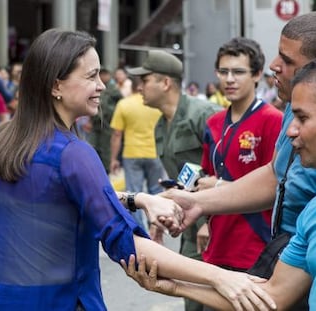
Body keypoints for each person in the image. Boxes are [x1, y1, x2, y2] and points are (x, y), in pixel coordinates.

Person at [0, 28, 275, 311]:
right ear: (56, 85)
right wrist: (220, 278)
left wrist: (140, 199)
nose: (102, 85)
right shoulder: (72, 153)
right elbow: (126, 243)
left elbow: (63, 197)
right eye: (91, 76)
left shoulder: (0, 139)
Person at [122, 58, 316, 311]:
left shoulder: (267, 119)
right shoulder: (310, 214)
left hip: (252, 240)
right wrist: (175, 286)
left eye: (301, 117)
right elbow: (272, 298)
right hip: (227, 242)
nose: (291, 131)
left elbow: (271, 178)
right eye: (223, 71)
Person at [127, 49, 222, 311]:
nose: (139, 87)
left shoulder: (203, 114)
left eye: (145, 80)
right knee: (193, 298)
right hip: (190, 224)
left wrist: (210, 220)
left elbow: (226, 171)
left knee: (216, 296)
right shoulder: (161, 125)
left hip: (216, 224)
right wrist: (161, 214)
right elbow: (184, 178)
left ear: (165, 83)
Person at [195, 37, 283, 272]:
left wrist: (218, 186)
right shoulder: (213, 123)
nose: (229, 79)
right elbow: (207, 179)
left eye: (238, 72)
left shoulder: (273, 121)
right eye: (223, 72)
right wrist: (205, 223)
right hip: (216, 247)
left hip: (255, 249)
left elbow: (275, 187)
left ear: (256, 75)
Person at [109, 76, 165, 233]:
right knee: (156, 192)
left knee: (133, 195)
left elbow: (117, 134)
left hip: (132, 153)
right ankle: (157, 227)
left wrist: (113, 158)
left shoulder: (124, 104)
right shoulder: (155, 105)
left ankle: (139, 234)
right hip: (155, 152)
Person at [88, 68, 123, 172]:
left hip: (108, 123)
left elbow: (120, 103)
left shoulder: (113, 89)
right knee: (93, 147)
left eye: (104, 74)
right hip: (96, 123)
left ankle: (106, 170)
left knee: (106, 149)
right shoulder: (96, 86)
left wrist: (111, 111)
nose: (102, 76)